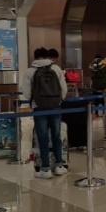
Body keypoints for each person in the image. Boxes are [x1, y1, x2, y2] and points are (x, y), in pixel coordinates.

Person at [21, 47, 67, 179]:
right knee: (56, 135)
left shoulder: (29, 71)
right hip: (55, 106)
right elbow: (63, 89)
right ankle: (59, 166)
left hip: (39, 107)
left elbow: (27, 93)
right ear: (47, 56)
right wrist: (58, 101)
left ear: (35, 57)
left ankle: (45, 169)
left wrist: (35, 100)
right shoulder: (56, 69)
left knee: (42, 137)